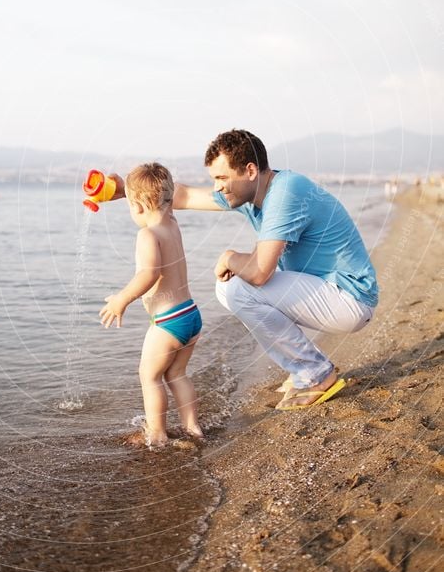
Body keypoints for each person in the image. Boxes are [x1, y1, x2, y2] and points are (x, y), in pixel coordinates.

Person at [109, 130, 378, 411]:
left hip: (349, 298)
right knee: (229, 288)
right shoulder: (249, 193)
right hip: (324, 294)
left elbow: (260, 272)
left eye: (222, 179)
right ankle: (304, 366)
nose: (217, 188)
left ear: (250, 170)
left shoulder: (286, 192)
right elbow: (184, 196)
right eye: (214, 179)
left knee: (238, 287)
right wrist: (126, 191)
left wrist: (230, 257)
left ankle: (316, 374)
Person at [99, 162, 203, 446]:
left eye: (132, 205)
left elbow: (149, 273)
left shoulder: (147, 235)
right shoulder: (171, 223)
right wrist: (126, 193)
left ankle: (157, 433)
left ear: (139, 206)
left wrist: (123, 298)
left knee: (149, 376)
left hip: (168, 322)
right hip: (190, 314)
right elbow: (152, 202)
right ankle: (192, 427)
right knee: (177, 374)